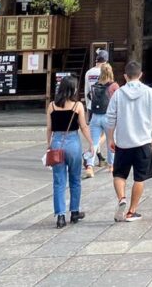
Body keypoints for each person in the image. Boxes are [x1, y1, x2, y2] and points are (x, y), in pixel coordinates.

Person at [106, 60, 152, 223]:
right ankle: (131, 211)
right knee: (139, 177)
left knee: (119, 174)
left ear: (125, 76)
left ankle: (121, 197)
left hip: (123, 141)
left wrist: (110, 138)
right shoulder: (149, 92)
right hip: (143, 141)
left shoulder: (118, 93)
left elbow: (111, 118)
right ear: (141, 75)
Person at [46, 75, 94, 229]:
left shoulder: (51, 106)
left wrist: (49, 145)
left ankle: (60, 216)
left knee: (59, 181)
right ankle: (74, 212)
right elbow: (84, 126)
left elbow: (49, 128)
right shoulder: (77, 106)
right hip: (73, 142)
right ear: (73, 89)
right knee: (75, 179)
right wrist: (91, 143)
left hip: (56, 143)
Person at [86, 62, 118, 170]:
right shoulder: (114, 86)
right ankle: (111, 165)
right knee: (111, 141)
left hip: (95, 116)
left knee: (94, 142)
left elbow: (90, 97)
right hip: (108, 117)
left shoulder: (95, 85)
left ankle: (89, 165)